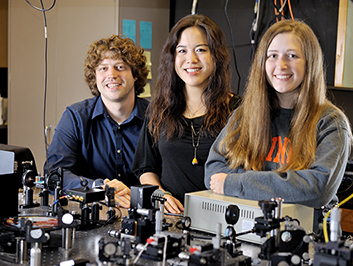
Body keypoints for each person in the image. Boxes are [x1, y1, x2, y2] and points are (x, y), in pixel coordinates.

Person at [205, 20, 353, 225]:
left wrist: (235, 183)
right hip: (249, 231)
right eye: (272, 56)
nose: (281, 65)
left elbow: (318, 189)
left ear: (310, 63)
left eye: (292, 56)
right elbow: (213, 170)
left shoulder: (331, 123)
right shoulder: (244, 115)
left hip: (307, 240)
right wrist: (287, 185)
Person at [132, 14, 241, 213]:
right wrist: (160, 194)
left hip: (222, 220)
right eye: (182, 51)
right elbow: (145, 167)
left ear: (216, 55)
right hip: (171, 219)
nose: (191, 59)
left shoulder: (238, 110)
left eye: (200, 50)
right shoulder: (159, 108)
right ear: (172, 57)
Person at [44, 35, 149, 208]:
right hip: (92, 214)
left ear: (135, 75)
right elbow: (55, 173)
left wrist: (135, 193)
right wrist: (98, 188)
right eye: (103, 69)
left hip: (145, 214)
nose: (111, 75)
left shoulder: (157, 117)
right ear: (95, 76)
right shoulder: (75, 117)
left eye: (120, 67)